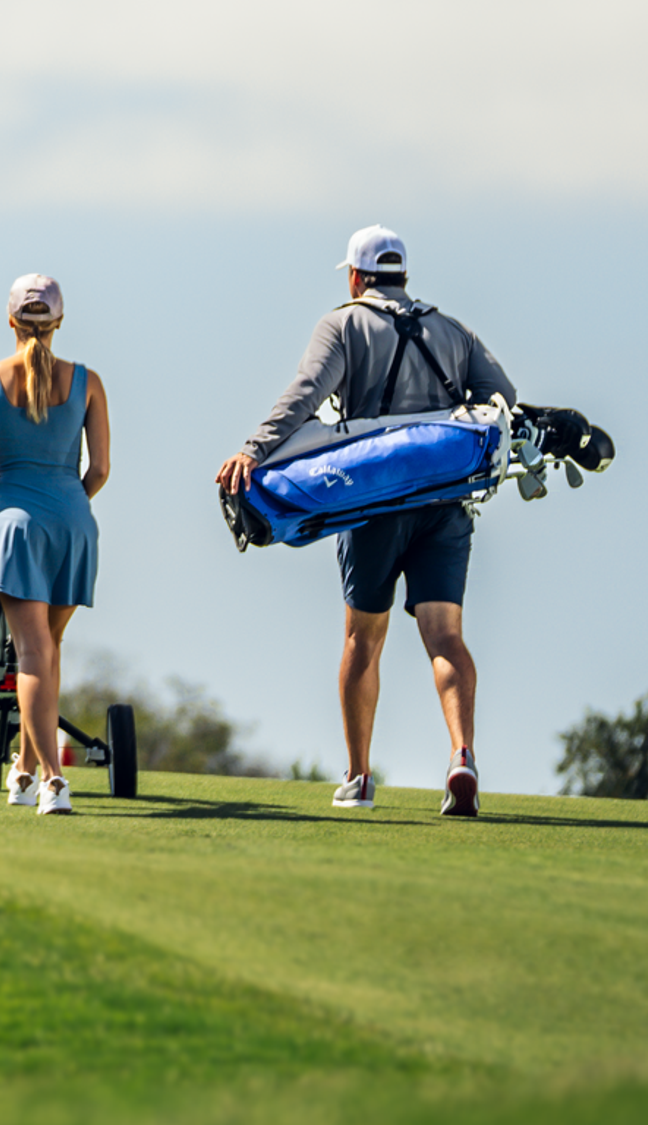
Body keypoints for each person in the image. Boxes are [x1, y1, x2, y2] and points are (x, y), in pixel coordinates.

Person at [214, 226, 515, 817]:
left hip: (372, 504)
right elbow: (502, 395)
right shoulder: (451, 330)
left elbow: (305, 394)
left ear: (355, 277)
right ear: (402, 274)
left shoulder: (344, 323)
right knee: (446, 637)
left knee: (362, 640)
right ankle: (462, 755)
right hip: (444, 505)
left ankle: (358, 777)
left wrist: (254, 450)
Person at [0, 273, 111, 816]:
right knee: (48, 650)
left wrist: (6, 509)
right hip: (74, 522)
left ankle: (52, 779)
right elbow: (101, 471)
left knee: (31, 654)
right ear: (60, 321)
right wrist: (66, 501)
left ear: (10, 320)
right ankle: (23, 771)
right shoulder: (88, 381)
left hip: (14, 524)